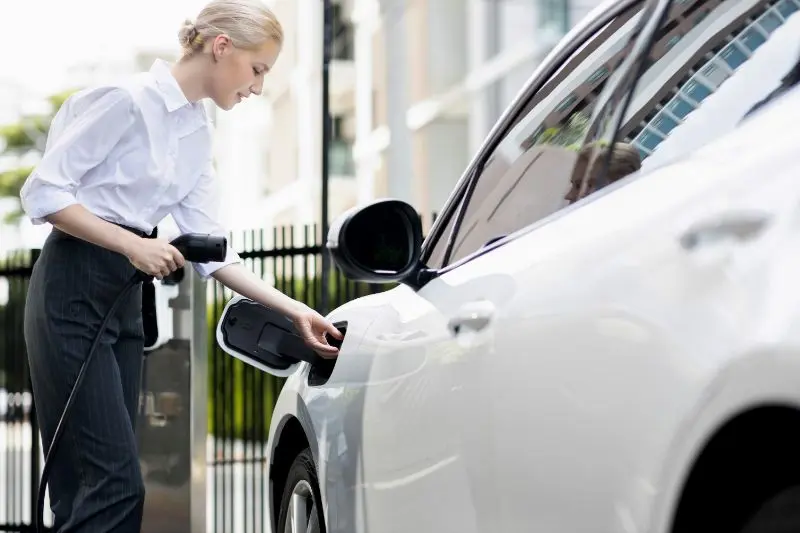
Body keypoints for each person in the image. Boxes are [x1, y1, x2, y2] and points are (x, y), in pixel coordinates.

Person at [18, 1, 343, 531]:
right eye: (257, 69)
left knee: (88, 488)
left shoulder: (197, 133)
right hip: (72, 291)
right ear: (221, 47)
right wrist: (133, 244)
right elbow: (45, 192)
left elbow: (216, 254)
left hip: (123, 302)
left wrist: (296, 311)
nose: (258, 87)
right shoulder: (125, 102)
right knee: (113, 484)